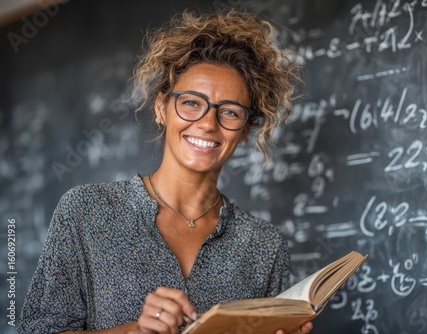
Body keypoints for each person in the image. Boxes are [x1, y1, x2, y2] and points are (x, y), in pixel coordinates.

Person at [19, 9, 312, 334]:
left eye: (229, 112)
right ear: (162, 108)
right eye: (190, 103)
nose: (207, 123)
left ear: (244, 130)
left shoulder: (265, 247)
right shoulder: (86, 211)